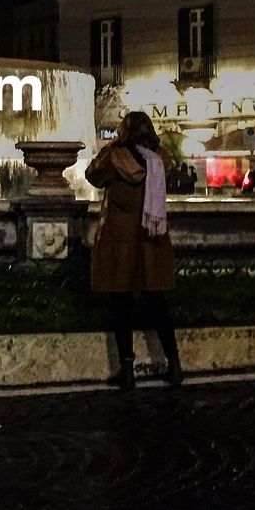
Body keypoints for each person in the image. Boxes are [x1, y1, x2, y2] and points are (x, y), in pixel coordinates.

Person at [86, 111, 182, 390]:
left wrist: (111, 147)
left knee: (121, 304)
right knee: (157, 303)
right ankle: (174, 364)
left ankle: (127, 369)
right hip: (151, 238)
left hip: (120, 239)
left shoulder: (113, 156)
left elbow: (92, 176)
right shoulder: (159, 158)